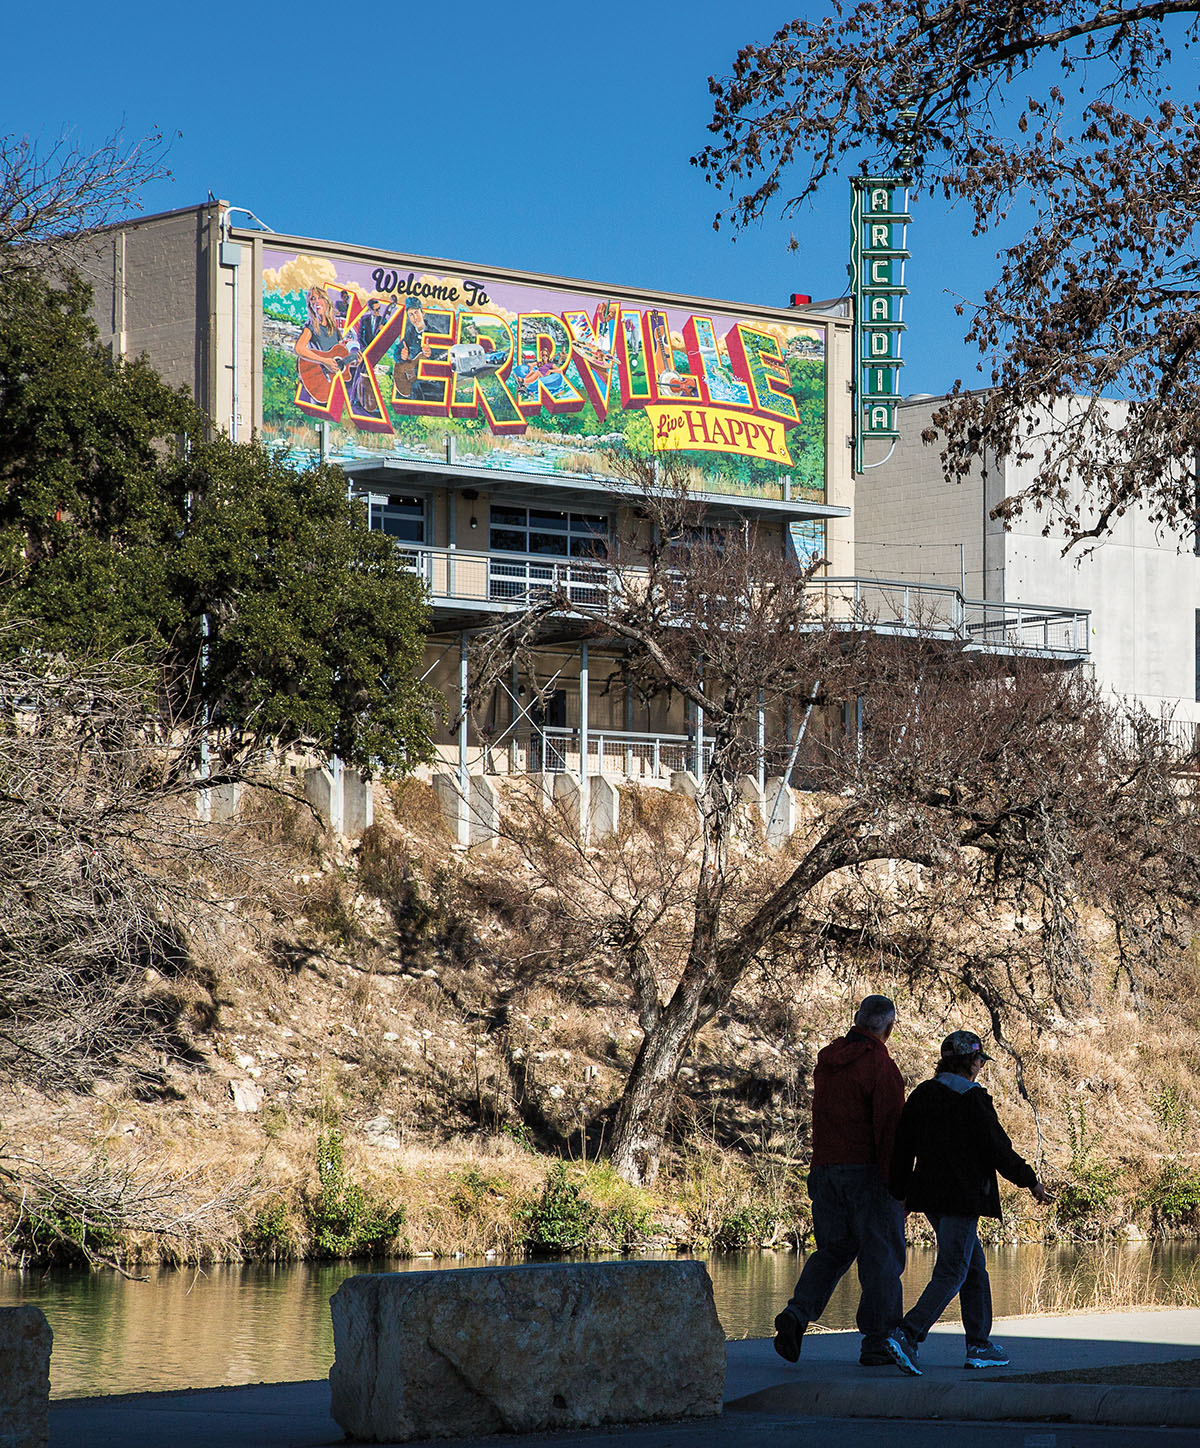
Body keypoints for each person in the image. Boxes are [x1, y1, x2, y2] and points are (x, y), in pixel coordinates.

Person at [886, 1030, 1050, 1376]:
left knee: (973, 1267)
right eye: (979, 1060)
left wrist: (900, 1192)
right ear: (971, 1062)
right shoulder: (973, 1098)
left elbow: (903, 1148)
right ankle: (907, 1334)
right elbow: (998, 1150)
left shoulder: (922, 1095)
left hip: (929, 1197)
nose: (980, 1067)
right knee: (953, 1271)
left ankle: (979, 1345)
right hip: (962, 1197)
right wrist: (1030, 1181)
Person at [773, 995, 907, 1368]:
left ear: (856, 1020)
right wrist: (898, 1187)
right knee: (881, 1257)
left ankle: (798, 1313)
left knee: (833, 1249)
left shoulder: (828, 1061)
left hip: (824, 1171)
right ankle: (878, 1341)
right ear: (889, 1028)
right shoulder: (881, 1067)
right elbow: (889, 1132)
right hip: (865, 1174)